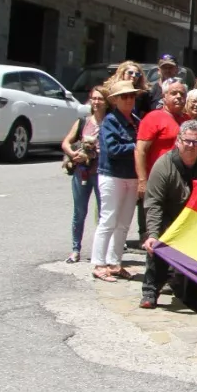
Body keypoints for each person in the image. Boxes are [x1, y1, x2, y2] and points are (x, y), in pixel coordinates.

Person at [140, 120, 197, 314]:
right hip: (169, 219)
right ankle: (150, 292)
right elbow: (154, 204)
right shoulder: (163, 166)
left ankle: (191, 298)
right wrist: (152, 234)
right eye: (187, 141)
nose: (192, 146)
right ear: (178, 141)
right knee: (157, 243)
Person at [91, 81, 140, 282]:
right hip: (112, 175)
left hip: (131, 176)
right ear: (116, 100)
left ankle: (114, 262)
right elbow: (112, 149)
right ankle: (98, 263)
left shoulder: (136, 120)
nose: (129, 99)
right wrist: (137, 147)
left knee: (124, 223)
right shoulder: (110, 121)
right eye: (124, 96)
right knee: (108, 220)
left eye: (131, 96)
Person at [134, 80, 187, 239]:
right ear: (164, 96)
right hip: (157, 181)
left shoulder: (187, 119)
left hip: (180, 183)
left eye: (182, 94)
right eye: (174, 93)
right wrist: (142, 180)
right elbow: (140, 150)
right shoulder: (153, 118)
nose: (178, 97)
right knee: (156, 227)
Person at [62, 86, 106, 265]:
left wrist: (95, 154)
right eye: (93, 98)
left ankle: (100, 252)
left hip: (102, 172)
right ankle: (75, 250)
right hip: (82, 172)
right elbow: (66, 142)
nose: (96, 102)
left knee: (104, 213)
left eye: (100, 99)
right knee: (79, 212)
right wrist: (73, 155)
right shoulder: (83, 122)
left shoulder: (110, 122)